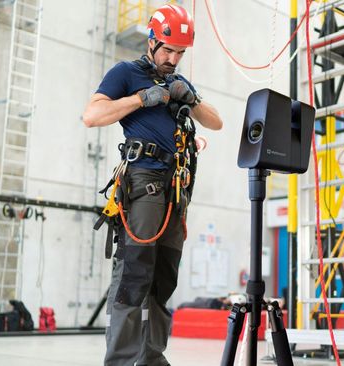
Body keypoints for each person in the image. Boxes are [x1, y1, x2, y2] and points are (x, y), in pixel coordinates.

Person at [82, 4, 222, 366]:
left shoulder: (179, 83)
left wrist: (190, 98)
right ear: (152, 41)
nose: (173, 58)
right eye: (168, 49)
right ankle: (121, 362)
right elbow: (92, 115)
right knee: (133, 278)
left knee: (162, 283)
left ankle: (151, 359)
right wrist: (140, 99)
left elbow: (216, 122)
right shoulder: (126, 73)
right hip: (143, 184)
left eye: (180, 52)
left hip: (176, 191)